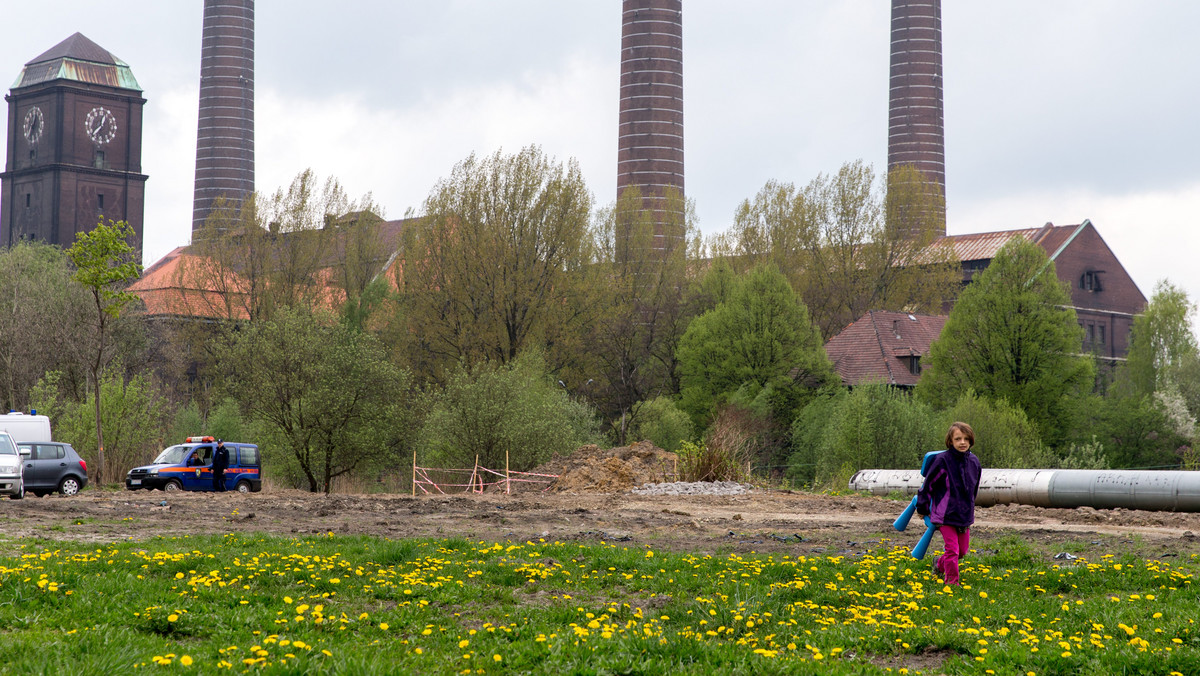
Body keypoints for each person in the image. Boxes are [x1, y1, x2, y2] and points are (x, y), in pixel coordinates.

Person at [916, 422, 982, 585]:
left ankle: (939, 563)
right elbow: (928, 485)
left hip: (964, 514)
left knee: (961, 551)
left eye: (966, 439)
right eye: (958, 439)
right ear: (950, 441)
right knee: (952, 550)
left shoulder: (974, 462)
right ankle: (952, 583)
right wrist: (923, 507)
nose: (962, 442)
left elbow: (974, 489)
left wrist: (970, 508)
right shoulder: (942, 461)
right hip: (945, 514)